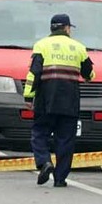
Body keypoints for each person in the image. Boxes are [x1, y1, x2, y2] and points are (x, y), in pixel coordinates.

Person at [24, 12, 94, 188]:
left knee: (39, 134)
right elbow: (89, 74)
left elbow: (34, 73)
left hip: (45, 100)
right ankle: (60, 179)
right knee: (65, 140)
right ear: (67, 28)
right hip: (70, 101)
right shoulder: (78, 47)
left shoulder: (41, 45)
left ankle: (44, 162)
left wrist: (28, 96)